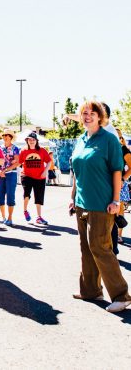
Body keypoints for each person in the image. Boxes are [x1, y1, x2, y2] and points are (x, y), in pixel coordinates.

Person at [70, 101, 131, 313]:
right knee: (85, 247)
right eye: (84, 113)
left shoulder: (109, 139)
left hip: (102, 204)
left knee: (100, 247)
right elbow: (77, 171)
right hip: (81, 203)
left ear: (100, 117)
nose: (87, 116)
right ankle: (90, 290)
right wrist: (72, 197)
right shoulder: (81, 139)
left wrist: (116, 201)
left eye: (92, 113)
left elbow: (116, 171)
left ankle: (121, 296)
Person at [19, 132, 52, 225]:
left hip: (40, 177)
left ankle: (39, 217)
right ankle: (25, 211)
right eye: (30, 140)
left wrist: (45, 171)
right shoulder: (23, 151)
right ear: (27, 141)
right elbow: (19, 162)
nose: (31, 141)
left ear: (36, 141)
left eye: (33, 140)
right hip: (27, 176)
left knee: (39, 197)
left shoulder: (42, 150)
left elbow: (49, 162)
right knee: (26, 194)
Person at [0, 130, 20, 226]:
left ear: (11, 137)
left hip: (11, 174)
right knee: (0, 195)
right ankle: (3, 217)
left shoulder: (15, 148)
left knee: (10, 195)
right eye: (4, 135)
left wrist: (6, 170)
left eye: (7, 135)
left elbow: (18, 162)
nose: (5, 137)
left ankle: (10, 218)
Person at [116, 129, 131, 245]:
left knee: (120, 209)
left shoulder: (123, 150)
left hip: (120, 184)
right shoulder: (109, 149)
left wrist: (122, 179)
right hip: (108, 183)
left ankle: (119, 235)